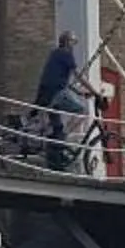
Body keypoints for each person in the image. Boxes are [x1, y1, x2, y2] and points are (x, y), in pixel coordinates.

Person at [33, 31, 81, 169]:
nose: (74, 45)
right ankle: (64, 137)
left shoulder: (54, 53)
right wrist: (94, 92)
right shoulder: (67, 54)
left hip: (45, 93)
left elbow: (63, 80)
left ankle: (55, 153)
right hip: (56, 93)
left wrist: (80, 93)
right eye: (73, 42)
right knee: (82, 112)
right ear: (67, 42)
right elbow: (78, 77)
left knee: (57, 126)